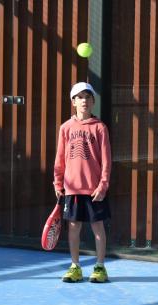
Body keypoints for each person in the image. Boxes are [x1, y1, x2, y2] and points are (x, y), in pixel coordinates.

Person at [53, 82, 112, 283]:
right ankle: (75, 266)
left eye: (88, 97)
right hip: (72, 189)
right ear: (73, 102)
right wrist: (58, 183)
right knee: (73, 228)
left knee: (98, 228)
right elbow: (60, 158)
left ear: (93, 101)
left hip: (95, 190)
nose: (84, 101)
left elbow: (106, 160)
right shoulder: (65, 128)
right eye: (79, 97)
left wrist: (103, 185)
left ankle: (100, 267)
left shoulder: (100, 128)